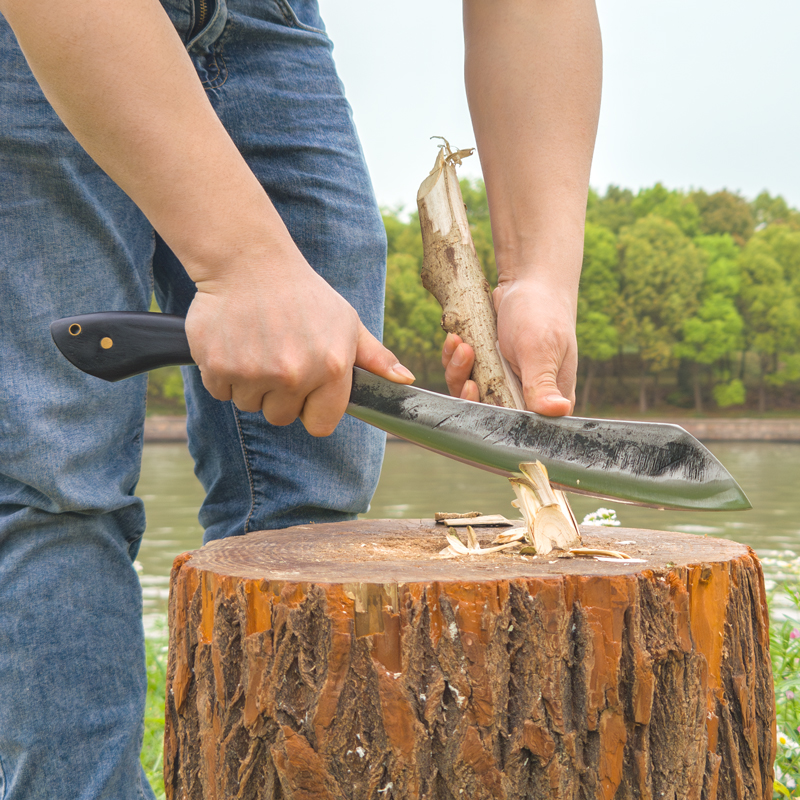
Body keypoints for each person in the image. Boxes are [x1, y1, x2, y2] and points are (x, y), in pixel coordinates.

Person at [0, 0, 601, 796]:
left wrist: (538, 278)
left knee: (313, 482)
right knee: (58, 482)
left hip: (271, 23)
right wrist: (243, 262)